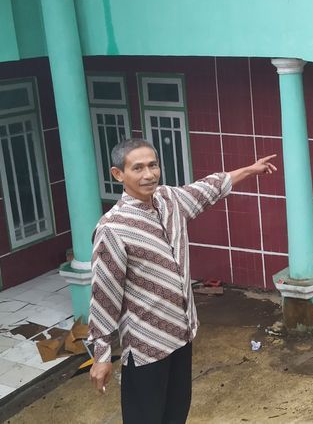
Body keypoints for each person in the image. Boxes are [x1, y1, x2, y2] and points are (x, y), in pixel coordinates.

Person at [87, 138, 276, 423]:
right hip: (147, 345)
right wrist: (101, 354)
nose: (148, 174)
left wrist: (250, 170)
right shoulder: (113, 228)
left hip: (181, 335)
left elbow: (209, 188)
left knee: (176, 414)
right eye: (137, 168)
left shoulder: (170, 200)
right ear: (118, 175)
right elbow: (105, 293)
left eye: (153, 165)